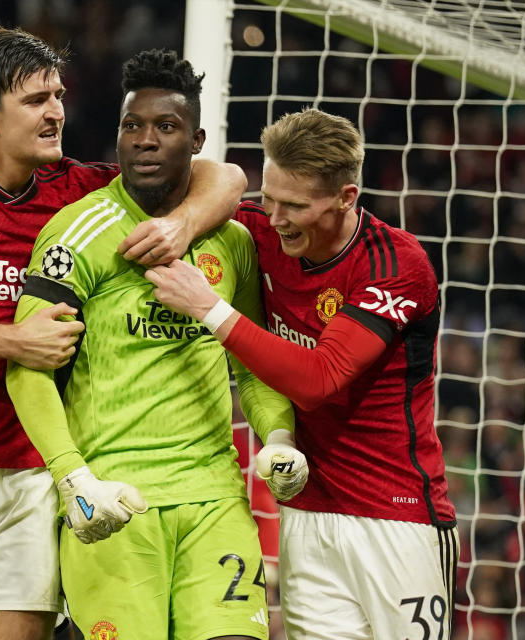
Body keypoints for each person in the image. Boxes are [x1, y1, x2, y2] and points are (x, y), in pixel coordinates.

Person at [0, 28, 248, 640]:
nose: (57, 111)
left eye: (58, 94)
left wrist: (183, 223)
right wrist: (11, 342)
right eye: (37, 100)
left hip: (32, 468)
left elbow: (223, 176)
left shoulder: (78, 190)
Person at [5, 48, 303, 640]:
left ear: (197, 140)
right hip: (115, 501)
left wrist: (278, 436)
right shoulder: (79, 231)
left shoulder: (234, 242)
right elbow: (27, 366)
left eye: (165, 127)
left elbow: (253, 360)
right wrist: (74, 480)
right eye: (131, 126)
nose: (144, 140)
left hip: (215, 497)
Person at [146, 108, 459, 639]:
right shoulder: (259, 232)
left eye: (295, 205)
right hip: (306, 513)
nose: (275, 217)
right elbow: (201, 179)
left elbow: (319, 380)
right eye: (268, 197)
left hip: (397, 515)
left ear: (346, 197)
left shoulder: (395, 265)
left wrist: (211, 309)